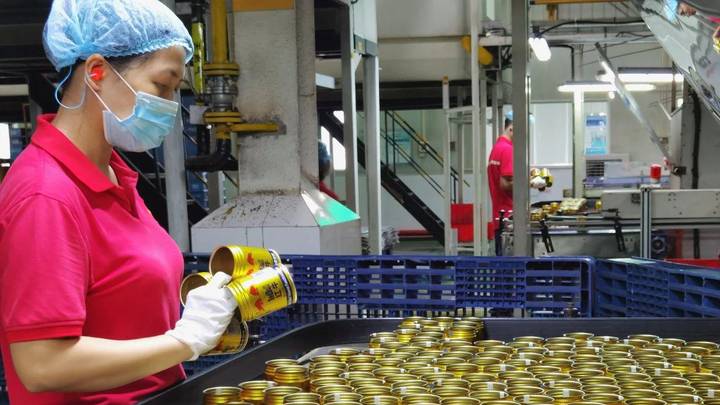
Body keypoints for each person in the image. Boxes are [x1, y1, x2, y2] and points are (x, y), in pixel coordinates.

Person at [0, 0, 237, 403]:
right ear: (97, 72)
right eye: (162, 85)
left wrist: (199, 318)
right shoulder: (46, 195)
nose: (171, 107)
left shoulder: (112, 173)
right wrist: (184, 341)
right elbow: (42, 365)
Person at [487, 111, 545, 223]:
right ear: (512, 128)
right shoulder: (508, 150)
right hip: (510, 218)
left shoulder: (497, 148)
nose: (524, 136)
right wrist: (531, 183)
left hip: (501, 215)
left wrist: (527, 173)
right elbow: (505, 185)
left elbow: (505, 178)